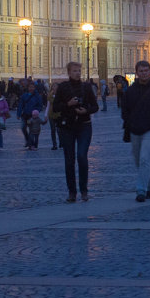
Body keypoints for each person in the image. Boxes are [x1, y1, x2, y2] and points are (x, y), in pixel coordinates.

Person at [121, 60, 150, 202]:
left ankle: (140, 190)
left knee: (144, 158)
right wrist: (130, 122)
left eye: (146, 71)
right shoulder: (130, 90)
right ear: (137, 73)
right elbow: (124, 110)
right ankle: (149, 185)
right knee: (138, 160)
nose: (143, 73)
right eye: (141, 71)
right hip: (135, 130)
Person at [53, 61, 99, 202]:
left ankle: (84, 190)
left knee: (82, 156)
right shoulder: (62, 87)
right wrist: (68, 104)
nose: (77, 73)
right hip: (67, 126)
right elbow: (55, 107)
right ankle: (72, 192)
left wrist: (87, 110)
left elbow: (95, 106)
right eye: (74, 71)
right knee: (69, 160)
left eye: (79, 70)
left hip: (84, 125)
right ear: (68, 72)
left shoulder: (86, 87)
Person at [18, 82, 43, 149]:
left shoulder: (37, 96)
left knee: (31, 130)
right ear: (28, 88)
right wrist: (19, 113)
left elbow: (40, 106)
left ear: (34, 88)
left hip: (32, 116)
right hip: (25, 115)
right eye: (30, 87)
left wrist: (36, 112)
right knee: (23, 128)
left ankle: (30, 144)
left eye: (32, 87)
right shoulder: (24, 95)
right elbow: (20, 105)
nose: (31, 88)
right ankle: (27, 140)